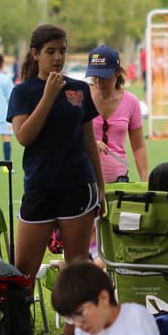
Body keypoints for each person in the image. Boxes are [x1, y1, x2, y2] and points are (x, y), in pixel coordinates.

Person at [7, 23, 105, 279]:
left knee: (77, 266)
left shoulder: (79, 89)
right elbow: (24, 137)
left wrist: (101, 187)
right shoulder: (23, 92)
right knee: (23, 271)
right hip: (39, 187)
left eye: (63, 50)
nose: (58, 57)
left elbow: (89, 141)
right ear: (35, 54)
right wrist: (48, 96)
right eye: (51, 51)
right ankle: (20, 320)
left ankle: (76, 320)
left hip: (77, 186)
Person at [87, 45, 149, 184]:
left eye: (103, 76)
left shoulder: (131, 102)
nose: (98, 82)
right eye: (95, 76)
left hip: (118, 180)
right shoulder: (82, 96)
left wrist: (145, 181)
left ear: (117, 72)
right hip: (84, 180)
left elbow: (138, 146)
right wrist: (90, 143)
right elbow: (68, 136)